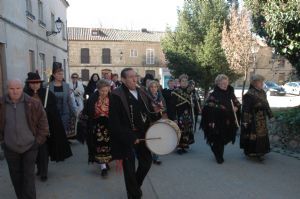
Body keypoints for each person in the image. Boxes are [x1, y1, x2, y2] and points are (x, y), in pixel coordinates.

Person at [109, 68, 161, 199]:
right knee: (129, 168)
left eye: (135, 76)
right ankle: (133, 194)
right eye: (131, 77)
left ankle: (135, 186)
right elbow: (115, 123)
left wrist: (156, 110)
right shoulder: (116, 95)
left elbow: (150, 114)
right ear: (123, 80)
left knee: (146, 163)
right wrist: (130, 137)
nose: (134, 79)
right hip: (126, 136)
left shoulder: (142, 92)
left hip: (143, 134)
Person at [0, 79, 49, 199]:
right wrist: (3, 142)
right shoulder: (1, 105)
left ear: (22, 88)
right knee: (16, 177)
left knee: (28, 177)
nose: (15, 91)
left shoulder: (33, 103)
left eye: (18, 88)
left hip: (30, 147)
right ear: (7, 89)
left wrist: (37, 142)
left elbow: (44, 125)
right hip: (10, 148)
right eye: (12, 89)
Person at [24, 72, 72, 182]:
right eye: (32, 83)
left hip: (44, 128)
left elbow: (53, 111)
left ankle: (44, 172)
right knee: (32, 151)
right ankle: (39, 168)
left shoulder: (47, 94)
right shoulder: (24, 94)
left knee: (43, 150)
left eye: (37, 83)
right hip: (29, 129)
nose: (35, 85)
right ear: (29, 84)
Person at [200, 74, 241, 164]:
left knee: (224, 138)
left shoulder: (230, 93)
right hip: (217, 121)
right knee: (218, 138)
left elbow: (237, 103)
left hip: (228, 120)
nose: (224, 85)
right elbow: (207, 107)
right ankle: (219, 156)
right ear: (218, 84)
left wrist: (236, 107)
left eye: (226, 83)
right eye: (222, 83)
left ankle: (216, 150)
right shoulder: (214, 94)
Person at [240, 74, 273, 161]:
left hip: (261, 117)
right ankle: (252, 152)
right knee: (254, 136)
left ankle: (261, 151)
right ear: (254, 83)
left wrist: (270, 115)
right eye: (260, 82)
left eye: (262, 81)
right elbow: (246, 109)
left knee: (262, 135)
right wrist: (245, 121)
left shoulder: (262, 92)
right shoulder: (249, 94)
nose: (262, 83)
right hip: (252, 119)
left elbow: (266, 104)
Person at [86, 79, 112, 177]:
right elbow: (88, 112)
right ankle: (103, 167)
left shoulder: (112, 98)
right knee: (100, 146)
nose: (104, 93)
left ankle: (106, 162)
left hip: (109, 125)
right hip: (97, 126)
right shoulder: (93, 98)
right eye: (102, 91)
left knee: (108, 146)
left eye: (106, 90)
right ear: (98, 90)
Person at [169, 74, 196, 154]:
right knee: (179, 130)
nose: (184, 83)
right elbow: (172, 106)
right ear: (179, 82)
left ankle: (185, 144)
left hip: (188, 114)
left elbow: (193, 103)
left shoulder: (190, 92)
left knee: (187, 129)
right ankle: (179, 147)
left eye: (186, 81)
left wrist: (193, 104)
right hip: (179, 113)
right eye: (183, 81)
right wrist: (174, 117)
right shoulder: (175, 92)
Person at [49, 62, 76, 138]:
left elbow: (69, 101)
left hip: (64, 113)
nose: (61, 76)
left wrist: (74, 112)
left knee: (63, 133)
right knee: (54, 132)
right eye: (59, 74)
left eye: (62, 74)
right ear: (54, 75)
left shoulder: (66, 86)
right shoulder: (48, 86)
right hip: (53, 113)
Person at [147, 80, 167, 165]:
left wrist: (162, 109)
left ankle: (156, 157)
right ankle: (148, 156)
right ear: (149, 88)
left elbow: (165, 108)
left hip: (159, 119)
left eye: (155, 87)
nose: (153, 89)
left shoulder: (160, 96)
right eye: (151, 87)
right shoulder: (147, 96)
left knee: (157, 138)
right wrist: (153, 109)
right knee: (150, 138)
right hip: (150, 120)